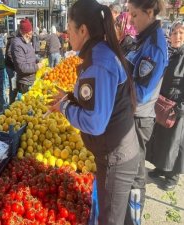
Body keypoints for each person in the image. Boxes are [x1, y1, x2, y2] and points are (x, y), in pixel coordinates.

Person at [48, 0, 139, 224]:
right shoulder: (100, 52)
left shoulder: (98, 61)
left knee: (110, 220)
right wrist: (69, 97)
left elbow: (96, 122)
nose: (67, 35)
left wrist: (65, 107)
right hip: (116, 153)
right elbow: (99, 100)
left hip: (116, 157)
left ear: (83, 30)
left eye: (69, 29)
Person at [124, 1, 168, 224]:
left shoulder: (154, 46)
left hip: (139, 119)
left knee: (135, 175)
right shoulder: (142, 40)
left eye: (134, 15)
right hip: (130, 116)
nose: (131, 20)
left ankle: (133, 219)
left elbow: (138, 93)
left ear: (149, 12)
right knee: (128, 171)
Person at [147, 21, 184, 191]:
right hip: (162, 103)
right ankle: (161, 168)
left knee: (174, 142)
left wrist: (180, 107)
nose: (177, 36)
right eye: (175, 33)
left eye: (181, 33)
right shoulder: (168, 53)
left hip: (177, 107)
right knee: (161, 138)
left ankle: (173, 175)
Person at [11, 19, 42, 96]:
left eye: (31, 33)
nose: (30, 36)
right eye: (29, 34)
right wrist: (37, 67)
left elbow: (31, 56)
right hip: (25, 83)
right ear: (23, 32)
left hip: (32, 80)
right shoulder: (17, 44)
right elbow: (22, 67)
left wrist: (38, 59)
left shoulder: (26, 41)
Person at [5, 31, 18, 104]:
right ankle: (12, 104)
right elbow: (9, 53)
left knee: (13, 86)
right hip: (11, 67)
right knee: (13, 86)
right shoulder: (13, 40)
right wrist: (15, 63)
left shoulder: (11, 39)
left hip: (9, 66)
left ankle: (12, 102)